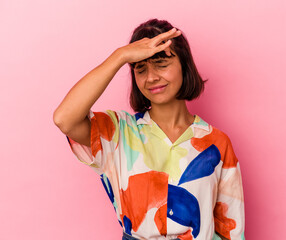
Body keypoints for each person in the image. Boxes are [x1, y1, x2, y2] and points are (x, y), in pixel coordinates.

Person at [53, 18, 245, 240]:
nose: (152, 78)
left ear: (185, 65)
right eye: (140, 69)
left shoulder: (216, 143)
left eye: (162, 65)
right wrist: (120, 56)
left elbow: (232, 230)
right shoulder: (118, 133)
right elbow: (64, 119)